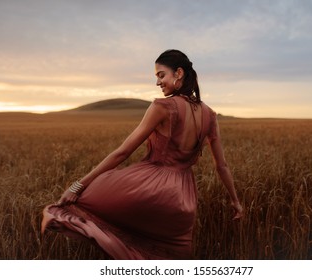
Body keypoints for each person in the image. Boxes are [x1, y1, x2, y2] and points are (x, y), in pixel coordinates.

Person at [42, 49, 243, 260]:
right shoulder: (210, 115)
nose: (157, 82)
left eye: (161, 75)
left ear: (179, 73)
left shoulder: (162, 107)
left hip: (151, 191)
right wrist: (235, 201)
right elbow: (222, 166)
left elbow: (123, 152)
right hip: (183, 202)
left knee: (85, 210)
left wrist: (77, 186)